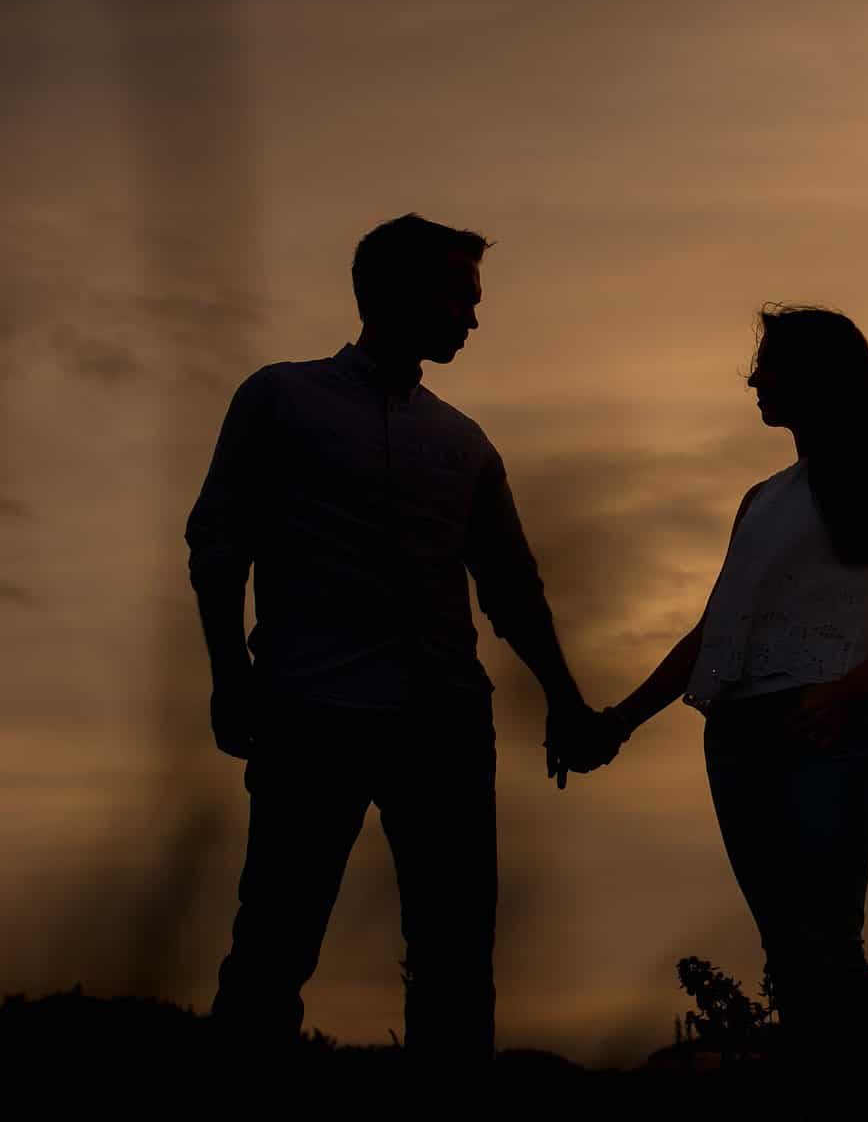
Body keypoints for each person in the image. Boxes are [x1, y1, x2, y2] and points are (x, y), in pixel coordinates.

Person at [185, 213, 596, 1071]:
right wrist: (230, 678)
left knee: (454, 965)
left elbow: (512, 587)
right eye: (459, 295)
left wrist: (564, 697)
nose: (472, 318)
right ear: (395, 292)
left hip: (444, 726)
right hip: (308, 715)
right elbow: (219, 543)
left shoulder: (464, 442)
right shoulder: (280, 398)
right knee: (271, 952)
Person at [574, 304, 868, 1119]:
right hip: (737, 736)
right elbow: (714, 633)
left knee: (827, 951)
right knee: (790, 955)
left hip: (826, 729)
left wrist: (847, 691)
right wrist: (620, 720)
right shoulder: (759, 499)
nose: (754, 380)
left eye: (769, 365)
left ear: (816, 375)